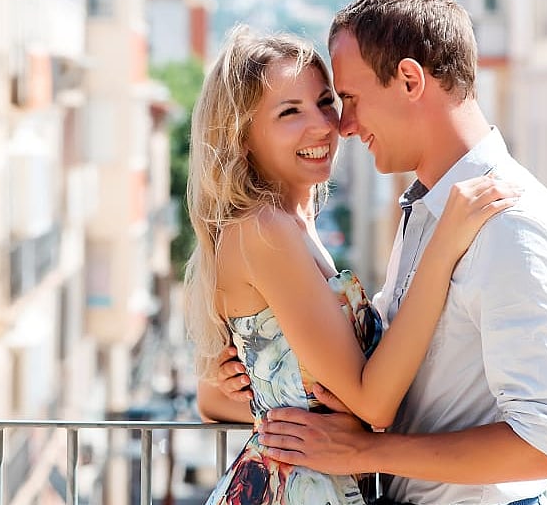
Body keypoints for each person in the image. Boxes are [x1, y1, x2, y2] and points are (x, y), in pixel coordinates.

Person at [209, 0, 547, 505]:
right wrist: (254, 381)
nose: (342, 125)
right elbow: (377, 362)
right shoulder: (428, 210)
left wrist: (367, 455)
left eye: (347, 99)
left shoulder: (508, 223)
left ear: (410, 81)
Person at [185, 25, 521, 505]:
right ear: (242, 138)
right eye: (289, 112)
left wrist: (272, 396)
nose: (324, 125)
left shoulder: (293, 225)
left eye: (326, 101)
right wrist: (443, 246)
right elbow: (374, 402)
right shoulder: (265, 230)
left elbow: (222, 397)